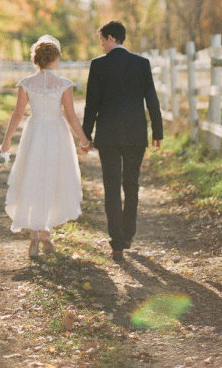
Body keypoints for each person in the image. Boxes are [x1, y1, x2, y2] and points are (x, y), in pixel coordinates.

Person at [0, 34, 91, 257]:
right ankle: (46, 234)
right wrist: (84, 139)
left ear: (37, 59)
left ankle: (35, 235)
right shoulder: (63, 84)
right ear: (55, 58)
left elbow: (17, 114)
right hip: (57, 134)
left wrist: (6, 141)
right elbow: (70, 116)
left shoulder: (26, 83)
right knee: (52, 177)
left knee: (33, 176)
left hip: (35, 132)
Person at [81, 20, 163, 263]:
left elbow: (91, 104)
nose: (102, 45)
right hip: (136, 134)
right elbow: (152, 100)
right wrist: (157, 132)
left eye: (102, 40)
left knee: (111, 186)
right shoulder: (142, 64)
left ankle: (116, 243)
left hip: (108, 135)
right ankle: (128, 235)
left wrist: (86, 136)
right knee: (132, 183)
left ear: (110, 38)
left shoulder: (98, 65)